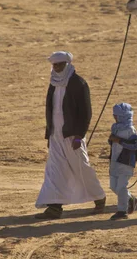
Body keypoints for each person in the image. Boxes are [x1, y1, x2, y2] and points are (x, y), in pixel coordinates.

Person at [34, 51, 106, 220]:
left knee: (81, 167)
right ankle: (54, 207)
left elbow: (86, 113)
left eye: (59, 64)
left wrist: (79, 136)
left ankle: (99, 198)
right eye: (54, 65)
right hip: (56, 135)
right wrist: (50, 135)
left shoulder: (78, 83)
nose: (56, 68)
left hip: (72, 135)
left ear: (67, 64)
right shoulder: (53, 83)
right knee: (54, 169)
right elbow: (51, 110)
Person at [107, 102, 137, 220]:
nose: (114, 117)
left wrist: (119, 141)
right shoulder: (115, 128)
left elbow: (135, 146)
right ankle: (130, 199)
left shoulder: (130, 129)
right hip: (114, 162)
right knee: (114, 187)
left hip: (125, 163)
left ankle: (122, 211)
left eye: (116, 115)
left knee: (121, 187)